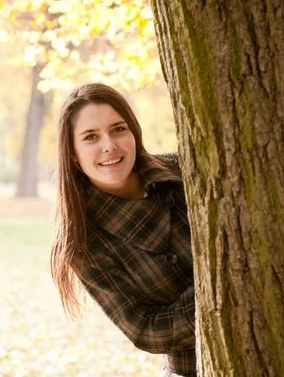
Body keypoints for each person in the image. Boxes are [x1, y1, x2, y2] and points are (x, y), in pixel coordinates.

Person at [50, 83, 196, 377]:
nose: (109, 145)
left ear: (133, 133)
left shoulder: (185, 169)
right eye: (91, 137)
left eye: (118, 129)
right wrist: (219, 292)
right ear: (74, 154)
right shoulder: (84, 242)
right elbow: (147, 331)